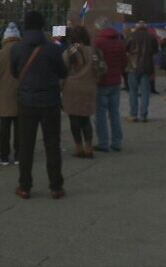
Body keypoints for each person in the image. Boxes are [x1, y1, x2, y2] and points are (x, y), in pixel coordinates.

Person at [11, 11, 68, 200]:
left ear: (25, 25)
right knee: (52, 144)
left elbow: (14, 72)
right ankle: (56, 186)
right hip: (50, 101)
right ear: (43, 26)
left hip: (26, 101)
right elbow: (62, 72)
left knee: (26, 145)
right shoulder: (52, 48)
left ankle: (25, 186)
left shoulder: (17, 47)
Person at [0, 22, 21, 166]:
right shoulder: (24, 51)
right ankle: (19, 155)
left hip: (4, 95)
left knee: (4, 126)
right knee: (20, 127)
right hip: (22, 94)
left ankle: (4, 155)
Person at [62, 26, 99, 158]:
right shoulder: (93, 50)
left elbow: (63, 68)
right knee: (86, 118)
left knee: (74, 119)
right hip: (89, 86)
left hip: (72, 87)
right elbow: (101, 68)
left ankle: (79, 147)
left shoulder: (71, 50)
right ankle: (89, 146)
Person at [91, 17, 126, 151]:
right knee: (114, 113)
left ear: (99, 27)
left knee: (100, 114)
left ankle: (103, 142)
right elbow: (124, 61)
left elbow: (93, 63)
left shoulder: (96, 42)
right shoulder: (119, 41)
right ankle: (117, 142)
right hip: (115, 81)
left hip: (101, 82)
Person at [125, 21, 158, 122]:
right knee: (145, 92)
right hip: (147, 66)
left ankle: (133, 114)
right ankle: (144, 115)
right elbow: (155, 51)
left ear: (136, 27)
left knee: (133, 92)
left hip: (133, 66)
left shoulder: (131, 36)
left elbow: (125, 49)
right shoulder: (152, 37)